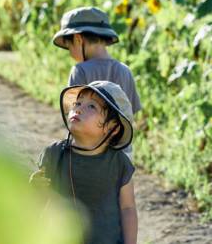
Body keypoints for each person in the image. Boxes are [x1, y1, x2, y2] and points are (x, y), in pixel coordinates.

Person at [31, 81, 138, 244]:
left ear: (112, 128)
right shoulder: (54, 154)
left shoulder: (118, 163)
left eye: (92, 107)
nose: (78, 109)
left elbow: (128, 208)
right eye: (77, 103)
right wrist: (35, 188)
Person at [52, 6, 141, 116]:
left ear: (78, 39)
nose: (70, 53)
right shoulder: (125, 70)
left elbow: (74, 115)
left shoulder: (80, 71)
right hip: (119, 133)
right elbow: (131, 114)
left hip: (85, 133)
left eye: (69, 47)